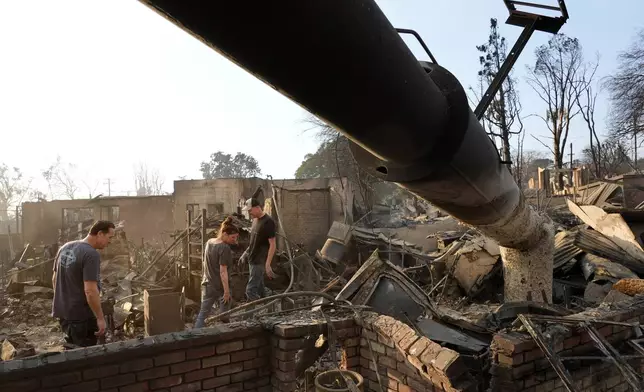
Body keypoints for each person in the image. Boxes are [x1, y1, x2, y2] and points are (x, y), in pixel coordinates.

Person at [51, 220, 115, 347]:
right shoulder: (91, 254)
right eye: (110, 237)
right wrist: (100, 318)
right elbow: (90, 291)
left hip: (64, 314)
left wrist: (64, 301)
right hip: (82, 318)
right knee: (85, 356)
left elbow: (54, 279)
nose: (110, 241)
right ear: (100, 234)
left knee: (72, 351)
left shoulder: (64, 247)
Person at [194, 217, 240, 328]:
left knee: (203, 314)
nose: (235, 240)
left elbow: (204, 261)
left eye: (236, 237)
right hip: (220, 286)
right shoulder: (224, 248)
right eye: (233, 237)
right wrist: (226, 291)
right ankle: (226, 333)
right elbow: (223, 272)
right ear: (224, 234)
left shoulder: (209, 242)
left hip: (207, 284)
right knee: (224, 314)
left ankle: (195, 334)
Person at [240, 198, 276, 300]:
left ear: (257, 208)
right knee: (260, 288)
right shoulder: (255, 220)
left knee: (250, 290)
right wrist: (245, 254)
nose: (249, 212)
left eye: (250, 210)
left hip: (259, 262)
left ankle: (252, 315)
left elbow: (273, 245)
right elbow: (253, 242)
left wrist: (268, 264)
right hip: (252, 259)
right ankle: (268, 305)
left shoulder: (268, 222)